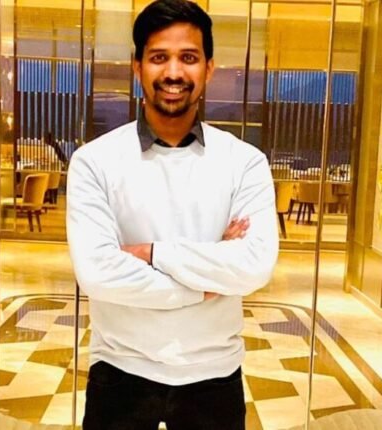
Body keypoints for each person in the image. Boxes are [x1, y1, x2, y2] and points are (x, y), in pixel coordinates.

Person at [66, 0, 279, 428]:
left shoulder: (244, 162)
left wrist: (151, 254)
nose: (174, 72)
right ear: (137, 66)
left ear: (209, 68)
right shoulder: (95, 162)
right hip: (120, 370)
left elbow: (254, 265)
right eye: (159, 57)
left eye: (189, 58)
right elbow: (97, 273)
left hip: (215, 373)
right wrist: (205, 283)